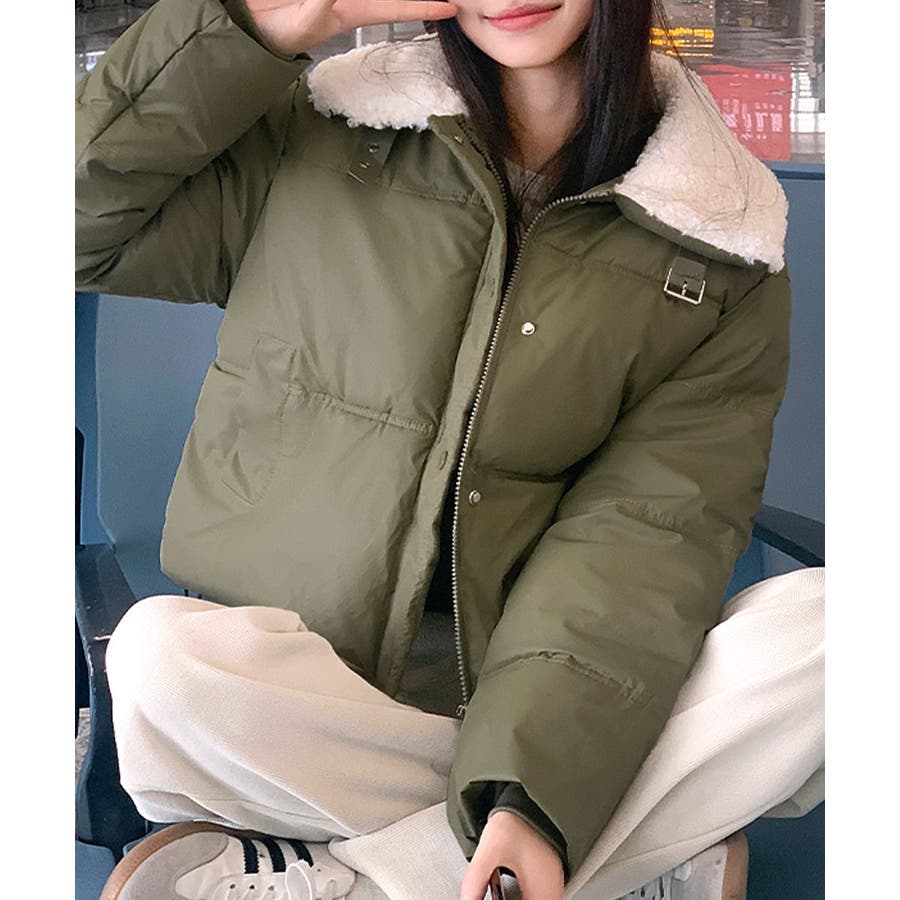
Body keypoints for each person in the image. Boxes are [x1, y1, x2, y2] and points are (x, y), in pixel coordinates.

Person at [75, 0, 825, 897]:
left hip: (560, 685)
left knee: (839, 631)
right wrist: (254, 22)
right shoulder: (321, 132)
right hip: (305, 692)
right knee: (163, 665)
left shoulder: (722, 238)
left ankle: (363, 870)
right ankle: (616, 850)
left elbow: (646, 532)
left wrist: (532, 785)